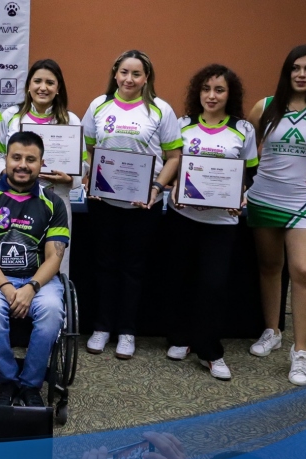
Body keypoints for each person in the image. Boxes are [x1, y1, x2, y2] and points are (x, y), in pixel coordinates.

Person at [81, 50, 182, 359]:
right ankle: (102, 327)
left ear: (146, 78)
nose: (129, 79)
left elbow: (174, 157)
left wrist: (157, 187)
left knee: (133, 270)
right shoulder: (99, 105)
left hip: (142, 205)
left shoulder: (161, 110)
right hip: (104, 202)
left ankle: (127, 331)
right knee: (104, 266)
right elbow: (87, 148)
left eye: (136, 74)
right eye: (124, 72)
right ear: (115, 73)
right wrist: (90, 176)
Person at [165, 65, 257, 381]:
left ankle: (210, 351)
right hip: (183, 217)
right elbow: (172, 165)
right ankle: (180, 338)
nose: (211, 96)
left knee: (213, 285)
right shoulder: (183, 125)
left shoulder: (243, 129)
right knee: (180, 279)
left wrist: (242, 195)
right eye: (206, 89)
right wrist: (174, 186)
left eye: (219, 90)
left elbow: (250, 173)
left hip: (221, 223)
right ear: (198, 92)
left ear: (230, 94)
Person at [246, 45, 306, 386]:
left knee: (304, 270)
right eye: (296, 68)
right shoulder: (265, 107)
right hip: (264, 197)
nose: (302, 74)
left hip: (305, 201)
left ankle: (301, 352)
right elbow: (241, 147)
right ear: (287, 71)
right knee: (270, 266)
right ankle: (273, 331)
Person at [0, 132, 69, 407]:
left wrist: (31, 288)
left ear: (41, 163)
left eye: (30, 159)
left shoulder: (53, 203)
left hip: (39, 280)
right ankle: (8, 380)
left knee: (52, 312)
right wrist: (5, 286)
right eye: (16, 158)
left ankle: (30, 385)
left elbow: (54, 257)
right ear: (6, 160)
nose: (22, 165)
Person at [0, 59, 84, 274]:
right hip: (14, 200)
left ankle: (56, 296)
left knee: (57, 262)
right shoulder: (11, 116)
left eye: (50, 83)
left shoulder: (70, 120)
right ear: (28, 85)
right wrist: (7, 172)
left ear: (58, 88)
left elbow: (83, 164)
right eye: (37, 81)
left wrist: (70, 179)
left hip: (56, 198)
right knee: (15, 257)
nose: (43, 87)